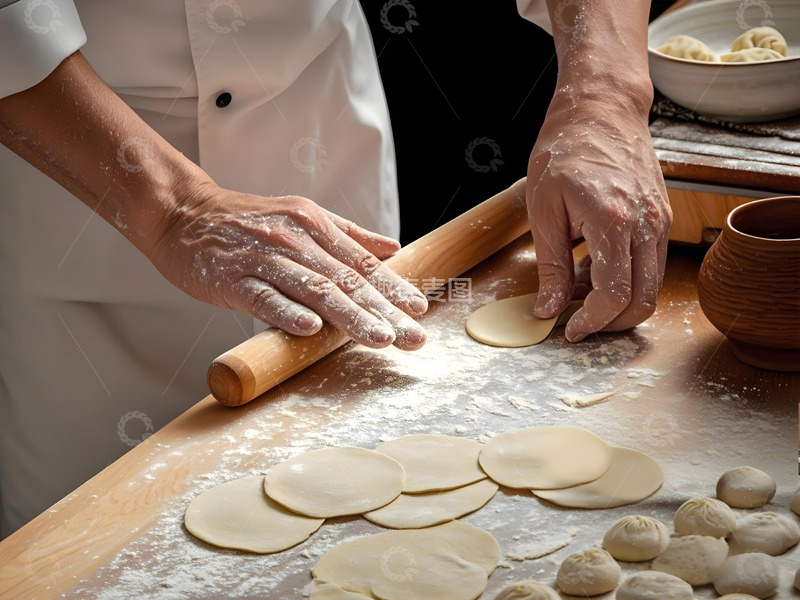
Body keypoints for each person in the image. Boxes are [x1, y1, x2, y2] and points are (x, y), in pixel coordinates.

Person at [0, 0, 671, 537]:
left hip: (313, 131)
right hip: (81, 164)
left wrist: (605, 96)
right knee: (89, 546)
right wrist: (173, 208)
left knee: (368, 518)